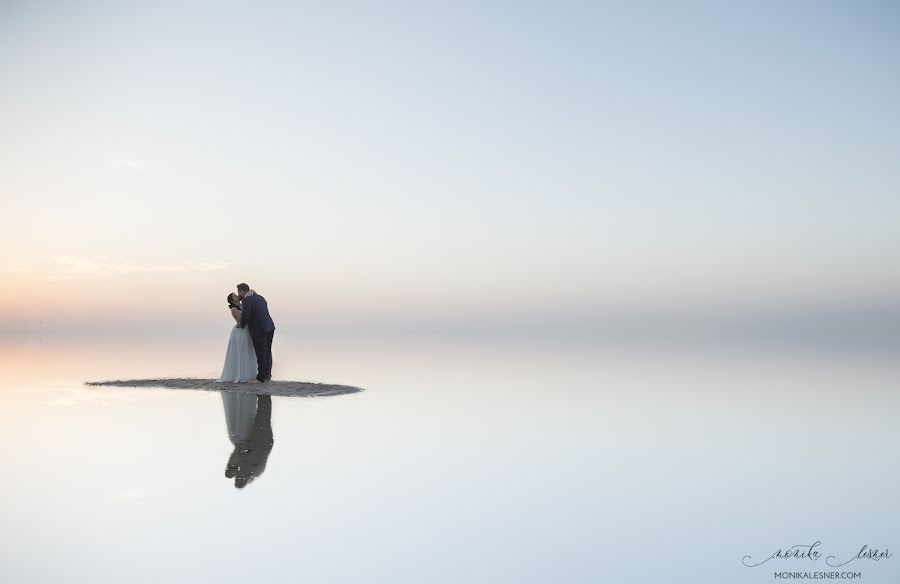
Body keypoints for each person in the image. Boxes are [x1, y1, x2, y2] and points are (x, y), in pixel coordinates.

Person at [236, 283, 276, 382]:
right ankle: (267, 374)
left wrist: (242, 325)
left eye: (238, 292)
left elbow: (245, 315)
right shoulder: (260, 297)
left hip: (259, 328)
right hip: (269, 326)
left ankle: (261, 376)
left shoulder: (247, 300)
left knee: (260, 352)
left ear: (241, 291)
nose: (238, 294)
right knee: (267, 351)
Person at [217, 292, 258, 383]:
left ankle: (251, 374)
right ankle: (239, 375)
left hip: (247, 330)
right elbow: (240, 320)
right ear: (232, 300)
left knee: (248, 351)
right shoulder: (234, 309)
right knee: (240, 352)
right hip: (240, 332)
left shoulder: (243, 304)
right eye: (234, 296)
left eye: (236, 295)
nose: (237, 296)